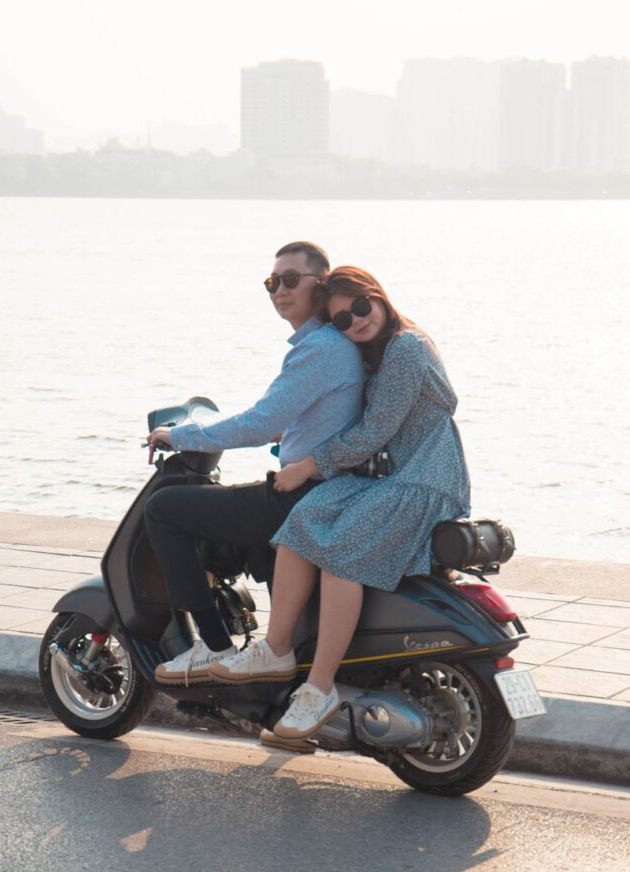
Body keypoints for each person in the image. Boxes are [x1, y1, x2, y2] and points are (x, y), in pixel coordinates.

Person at [210, 266, 471, 739]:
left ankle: (320, 687)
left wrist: (308, 465)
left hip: (424, 480)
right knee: (302, 521)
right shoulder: (378, 351)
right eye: (342, 320)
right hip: (390, 477)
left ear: (380, 297)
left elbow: (374, 431)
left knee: (341, 555)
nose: (356, 321)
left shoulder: (408, 348)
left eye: (360, 307)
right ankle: (277, 647)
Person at [144, 242, 365, 685]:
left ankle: (213, 646)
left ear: (319, 285)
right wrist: (296, 430)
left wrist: (180, 435)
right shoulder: (333, 344)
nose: (278, 291)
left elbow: (260, 422)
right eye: (271, 283)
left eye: (289, 280)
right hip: (326, 486)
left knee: (165, 508)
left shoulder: (318, 348)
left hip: (303, 494)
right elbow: (306, 413)